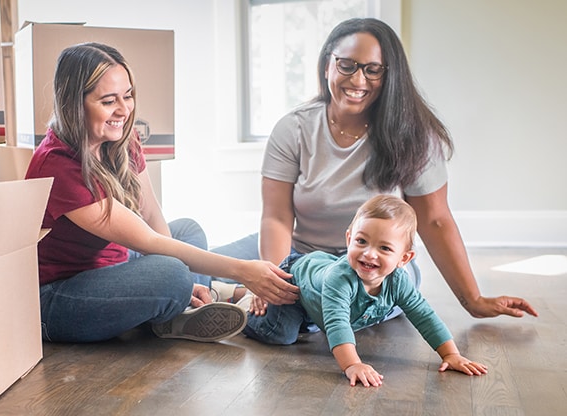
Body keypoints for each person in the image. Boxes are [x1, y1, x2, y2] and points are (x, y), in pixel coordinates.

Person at [213, 17, 537, 320]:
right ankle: (228, 292)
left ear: (389, 75)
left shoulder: (415, 135)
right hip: (300, 252)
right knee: (196, 263)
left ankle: (251, 299)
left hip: (375, 263)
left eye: (373, 70)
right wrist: (275, 277)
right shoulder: (293, 128)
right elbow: (276, 217)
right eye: (347, 65)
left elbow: (435, 220)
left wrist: (473, 300)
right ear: (328, 65)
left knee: (343, 298)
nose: (358, 79)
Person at [24, 42, 299, 344]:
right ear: (73, 104)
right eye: (108, 101)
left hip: (115, 263)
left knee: (188, 231)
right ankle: (194, 297)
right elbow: (148, 241)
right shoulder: (58, 165)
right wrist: (245, 271)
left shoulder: (121, 141)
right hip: (60, 297)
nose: (124, 110)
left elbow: (151, 213)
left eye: (127, 96)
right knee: (172, 273)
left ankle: (192, 299)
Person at [244, 195, 488, 387]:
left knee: (309, 324)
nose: (369, 253)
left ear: (404, 258)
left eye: (384, 248)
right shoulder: (339, 280)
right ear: (349, 238)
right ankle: (244, 310)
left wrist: (451, 354)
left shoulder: (398, 281)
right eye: (361, 241)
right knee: (282, 335)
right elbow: (338, 325)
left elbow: (424, 315)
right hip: (293, 279)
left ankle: (236, 292)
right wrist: (352, 365)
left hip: (315, 293)